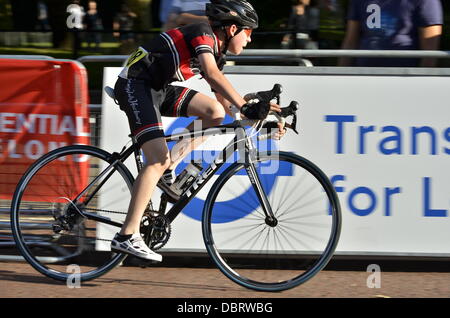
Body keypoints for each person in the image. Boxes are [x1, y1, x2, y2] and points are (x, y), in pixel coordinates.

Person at [110, 0, 285, 261]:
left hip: (158, 87)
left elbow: (227, 107)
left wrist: (263, 121)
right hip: (136, 85)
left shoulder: (218, 51)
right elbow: (213, 75)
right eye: (249, 33)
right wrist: (245, 106)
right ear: (234, 28)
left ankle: (169, 168)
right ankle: (127, 235)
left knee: (213, 112)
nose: (250, 41)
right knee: (156, 157)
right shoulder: (202, 32)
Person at [339, 0, 443, 67]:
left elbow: (430, 52)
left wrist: (422, 85)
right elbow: (350, 41)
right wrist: (341, 77)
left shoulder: (427, 1)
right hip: (364, 76)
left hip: (405, 78)